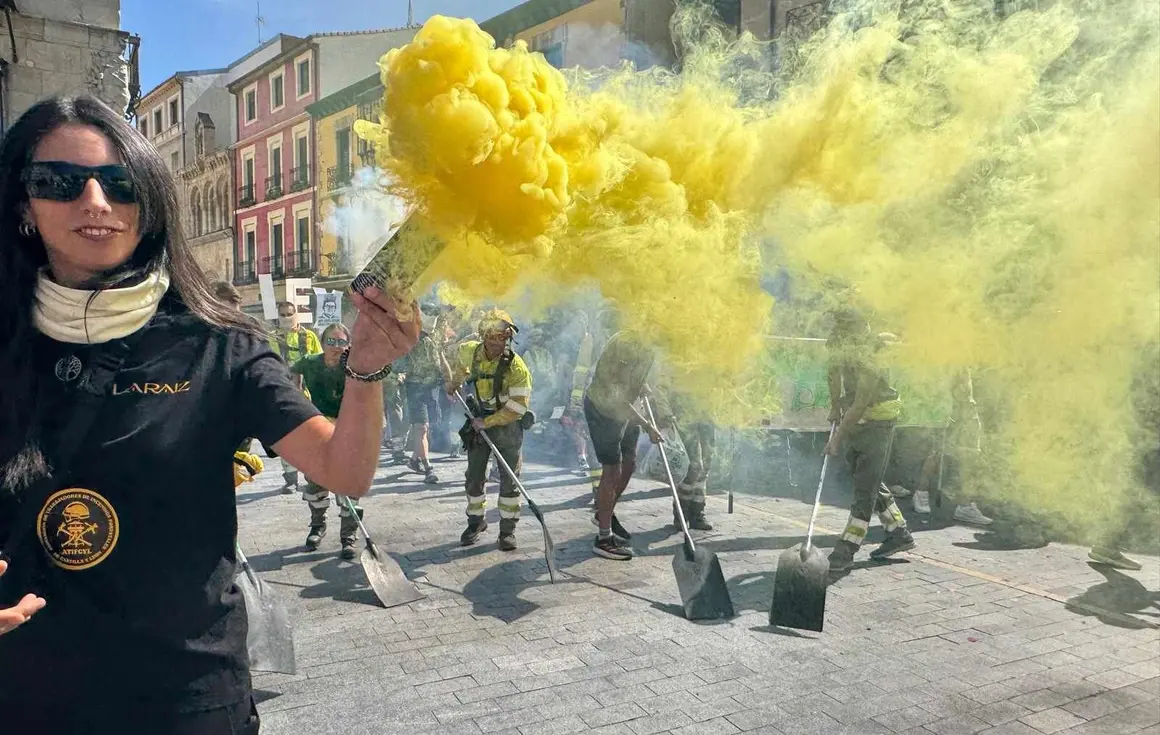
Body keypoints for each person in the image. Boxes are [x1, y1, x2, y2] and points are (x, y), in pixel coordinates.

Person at [0, 96, 418, 732]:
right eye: (59, 182)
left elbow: (345, 468)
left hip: (186, 698)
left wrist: (365, 368)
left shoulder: (220, 342)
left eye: (121, 183)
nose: (95, 202)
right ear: (24, 204)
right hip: (26, 695)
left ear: (152, 201)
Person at [824, 309, 915, 574]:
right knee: (868, 479)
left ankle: (846, 550)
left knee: (865, 491)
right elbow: (833, 373)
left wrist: (837, 438)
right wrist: (833, 404)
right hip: (858, 420)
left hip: (877, 422)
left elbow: (861, 401)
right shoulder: (839, 341)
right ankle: (898, 533)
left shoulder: (873, 351)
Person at [446, 310, 533, 551]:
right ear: (484, 335)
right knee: (474, 478)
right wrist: (455, 381)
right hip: (479, 421)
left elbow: (517, 408)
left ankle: (507, 531)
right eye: (493, 337)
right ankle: (476, 523)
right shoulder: (471, 351)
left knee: (509, 482)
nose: (497, 343)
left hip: (508, 426)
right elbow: (457, 363)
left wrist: (488, 422)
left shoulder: (517, 368)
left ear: (508, 338)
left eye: (503, 338)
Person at [585, 330, 668, 561]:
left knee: (629, 464)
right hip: (604, 409)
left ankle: (604, 512)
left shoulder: (648, 345)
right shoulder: (624, 345)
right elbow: (617, 398)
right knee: (612, 469)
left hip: (624, 409)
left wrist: (640, 385)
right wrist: (648, 425)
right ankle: (603, 539)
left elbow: (633, 380)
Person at [291, 323, 369, 559]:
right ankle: (317, 526)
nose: (336, 347)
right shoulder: (311, 362)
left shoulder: (354, 367)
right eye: (331, 342)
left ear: (348, 345)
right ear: (323, 343)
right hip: (318, 427)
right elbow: (293, 372)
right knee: (315, 483)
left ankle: (348, 536)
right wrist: (296, 396)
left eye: (341, 342)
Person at [270, 299, 322, 494]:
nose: (286, 318)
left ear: (296, 314)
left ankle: (312, 475)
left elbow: (320, 360)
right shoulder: (272, 337)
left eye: (289, 314)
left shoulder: (309, 337)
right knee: (286, 435)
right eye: (282, 314)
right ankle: (291, 478)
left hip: (307, 393)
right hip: (282, 392)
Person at [398, 313, 447, 484]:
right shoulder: (407, 342)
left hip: (429, 389)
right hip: (415, 389)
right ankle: (428, 468)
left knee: (425, 428)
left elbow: (438, 365)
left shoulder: (432, 342)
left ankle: (414, 460)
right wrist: (401, 375)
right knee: (421, 428)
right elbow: (400, 365)